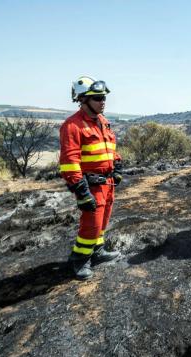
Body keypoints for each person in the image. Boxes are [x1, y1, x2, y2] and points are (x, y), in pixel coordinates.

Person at [59, 76, 122, 280]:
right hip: (90, 184)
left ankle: (98, 251)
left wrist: (117, 165)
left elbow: (111, 148)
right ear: (83, 100)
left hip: (107, 182)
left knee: (102, 222)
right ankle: (80, 260)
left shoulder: (103, 122)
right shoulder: (72, 126)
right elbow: (69, 162)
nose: (102, 101)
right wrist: (81, 190)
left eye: (103, 97)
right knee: (91, 224)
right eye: (97, 98)